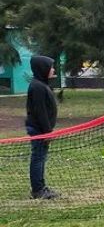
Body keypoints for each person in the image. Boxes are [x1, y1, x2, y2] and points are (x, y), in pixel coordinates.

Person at [25, 55, 59, 200]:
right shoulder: (37, 87)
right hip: (39, 130)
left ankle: (41, 186)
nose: (53, 70)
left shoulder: (41, 84)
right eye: (51, 67)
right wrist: (47, 132)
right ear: (43, 68)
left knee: (41, 157)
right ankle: (37, 190)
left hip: (42, 130)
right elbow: (40, 112)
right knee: (38, 158)